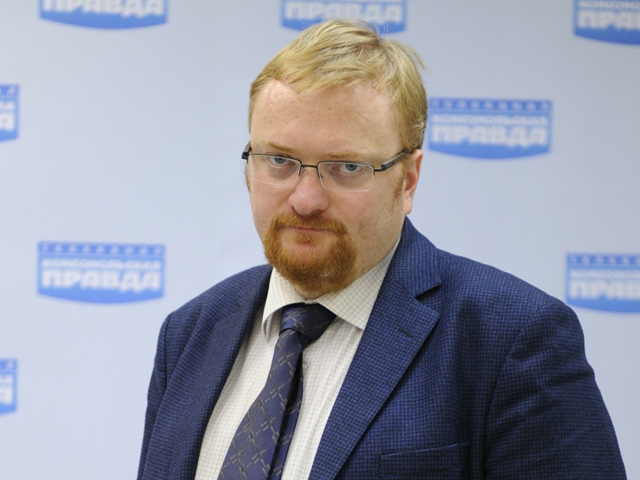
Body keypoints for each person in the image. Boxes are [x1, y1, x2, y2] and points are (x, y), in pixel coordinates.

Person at [137, 19, 626, 480]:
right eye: (279, 160)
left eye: (347, 168)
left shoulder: (511, 341)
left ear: (408, 180)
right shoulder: (189, 335)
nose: (305, 199)